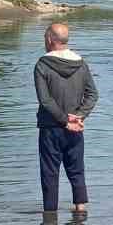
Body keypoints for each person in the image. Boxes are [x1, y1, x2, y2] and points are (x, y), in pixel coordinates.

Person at [34, 22, 100, 214]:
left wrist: (65, 120)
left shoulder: (42, 65)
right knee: (77, 169)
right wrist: (79, 116)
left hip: (50, 127)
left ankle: (50, 219)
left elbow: (45, 100)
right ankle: (80, 212)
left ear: (49, 39)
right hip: (76, 127)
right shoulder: (81, 63)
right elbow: (92, 95)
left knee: (50, 174)